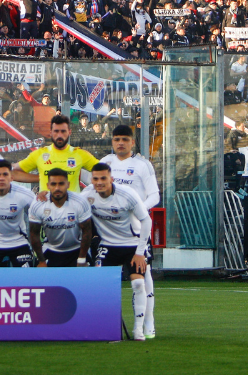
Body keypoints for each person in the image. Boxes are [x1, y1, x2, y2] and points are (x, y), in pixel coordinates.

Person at [99, 124, 159, 338]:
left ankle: (148, 322)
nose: (121, 143)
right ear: (112, 142)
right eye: (117, 139)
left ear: (132, 142)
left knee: (144, 276)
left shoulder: (142, 165)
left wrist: (137, 209)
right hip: (112, 232)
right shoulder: (105, 162)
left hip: (137, 228)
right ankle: (106, 324)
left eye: (125, 139)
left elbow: (155, 195)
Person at [82, 162, 153, 341]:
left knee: (139, 284)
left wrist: (140, 252)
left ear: (111, 179)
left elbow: (146, 221)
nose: (99, 182)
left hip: (132, 245)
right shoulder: (87, 195)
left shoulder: (127, 194)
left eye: (103, 178)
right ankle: (106, 327)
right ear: (91, 180)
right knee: (100, 285)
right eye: (95, 179)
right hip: (107, 245)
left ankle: (138, 329)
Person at [12, 115, 99, 191]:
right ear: (51, 133)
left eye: (63, 131)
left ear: (69, 132)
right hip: (47, 203)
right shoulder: (40, 154)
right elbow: (13, 173)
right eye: (56, 131)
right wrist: (41, 177)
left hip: (72, 204)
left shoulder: (80, 154)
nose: (59, 135)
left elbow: (104, 171)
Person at [29, 168, 92, 267]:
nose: (57, 188)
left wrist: (81, 259)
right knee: (40, 275)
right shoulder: (38, 204)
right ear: (48, 186)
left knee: (88, 275)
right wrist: (41, 261)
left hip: (77, 248)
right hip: (51, 249)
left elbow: (87, 231)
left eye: (61, 184)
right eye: (53, 184)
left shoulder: (80, 202)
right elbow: (34, 234)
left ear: (68, 185)